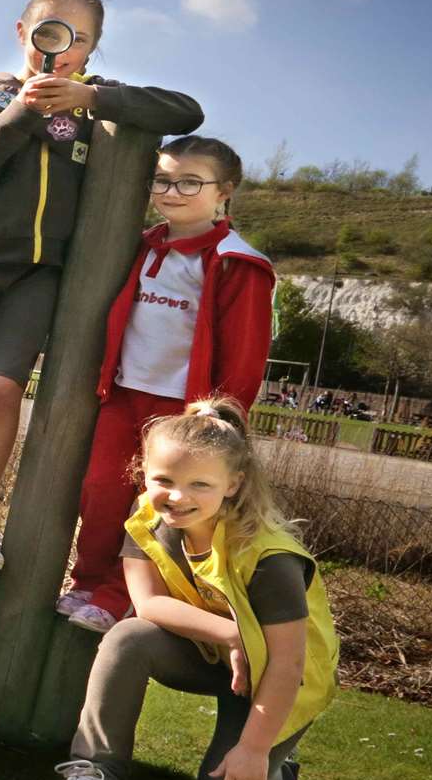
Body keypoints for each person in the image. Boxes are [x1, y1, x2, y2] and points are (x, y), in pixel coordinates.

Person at [0, 0, 203, 573]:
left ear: (93, 47)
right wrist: (23, 109)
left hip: (42, 272)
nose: (58, 48)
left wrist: (90, 97)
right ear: (24, 33)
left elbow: (185, 111)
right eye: (48, 31)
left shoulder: (96, 104)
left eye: (78, 38)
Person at [48, 397, 339, 780]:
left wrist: (255, 748)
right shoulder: (147, 517)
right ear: (143, 473)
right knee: (128, 636)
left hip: (277, 675)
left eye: (200, 484)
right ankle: (96, 771)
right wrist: (232, 635)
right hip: (213, 652)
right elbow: (148, 604)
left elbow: (290, 662)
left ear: (233, 484)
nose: (178, 497)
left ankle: (279, 765)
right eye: (164, 479)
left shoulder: (270, 557)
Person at [60, 136, 273, 633]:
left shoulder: (240, 262)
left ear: (225, 191)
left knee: (154, 504)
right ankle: (86, 583)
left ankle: (120, 596)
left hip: (183, 412)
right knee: (100, 489)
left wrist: (221, 416)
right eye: (162, 179)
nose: (172, 191)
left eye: (190, 182)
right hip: (124, 394)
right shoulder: (140, 243)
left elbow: (245, 353)